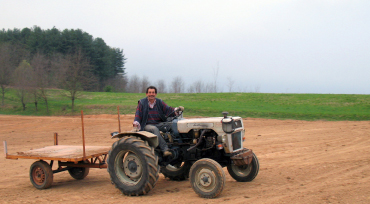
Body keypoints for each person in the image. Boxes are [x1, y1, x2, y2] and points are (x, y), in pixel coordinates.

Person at [133, 86, 184, 157]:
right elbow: (138, 114)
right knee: (154, 129)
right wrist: (136, 124)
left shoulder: (159, 102)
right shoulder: (142, 103)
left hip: (158, 123)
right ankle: (165, 149)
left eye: (153, 92)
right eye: (150, 92)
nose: (151, 94)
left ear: (156, 94)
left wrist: (177, 110)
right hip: (147, 125)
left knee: (173, 125)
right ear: (146, 94)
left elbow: (168, 109)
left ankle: (177, 145)